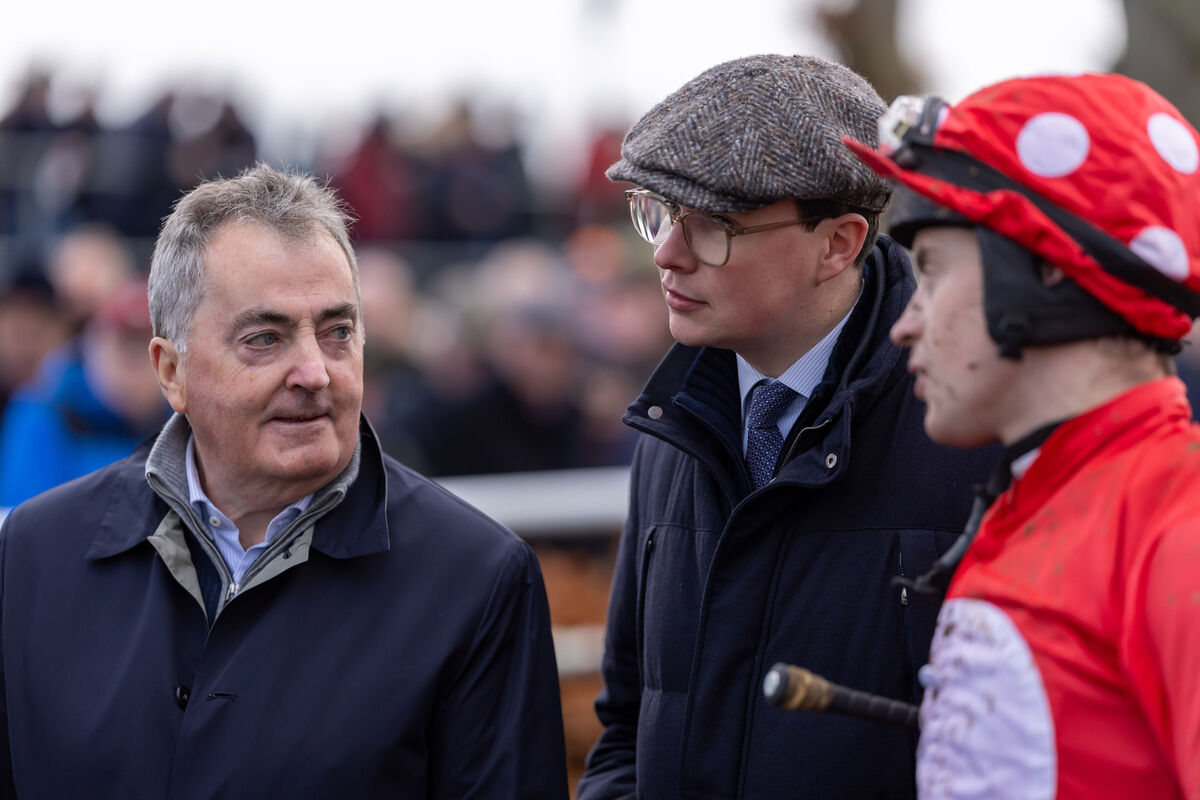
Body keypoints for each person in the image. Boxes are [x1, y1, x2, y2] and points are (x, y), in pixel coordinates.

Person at [0, 165, 568, 798]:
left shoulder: (477, 579)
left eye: (337, 332)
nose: (314, 372)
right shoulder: (34, 554)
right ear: (170, 371)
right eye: (265, 338)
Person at [577, 54, 997, 800]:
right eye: (658, 212)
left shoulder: (973, 435)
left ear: (838, 243)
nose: (668, 255)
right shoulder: (673, 424)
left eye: (710, 227)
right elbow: (627, 720)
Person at [844, 73, 1200, 798]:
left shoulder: (1178, 525)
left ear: (1043, 272)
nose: (904, 324)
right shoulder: (1041, 498)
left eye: (933, 272)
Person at [0, 277, 169, 508]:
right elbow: (19, 519)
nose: (138, 366)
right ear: (94, 346)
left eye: (148, 348)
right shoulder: (44, 412)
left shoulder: (185, 424)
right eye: (125, 347)